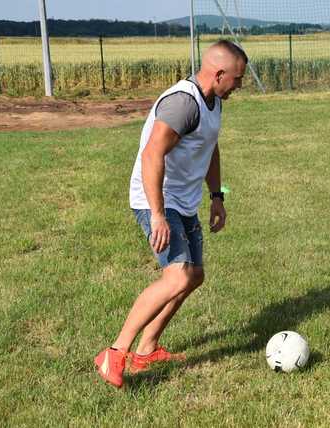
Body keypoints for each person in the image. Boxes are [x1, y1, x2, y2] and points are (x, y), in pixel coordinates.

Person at [94, 40, 248, 388]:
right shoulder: (183, 103)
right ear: (218, 73)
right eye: (237, 79)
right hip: (156, 200)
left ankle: (147, 350)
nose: (239, 86)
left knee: (194, 276)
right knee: (177, 277)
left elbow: (210, 147)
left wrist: (216, 196)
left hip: (183, 201)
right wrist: (158, 215)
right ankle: (115, 353)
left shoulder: (214, 102)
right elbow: (152, 155)